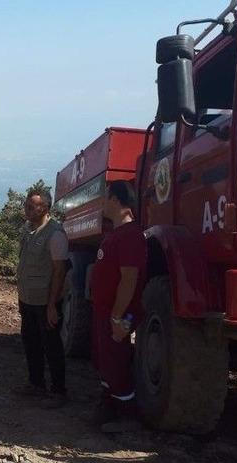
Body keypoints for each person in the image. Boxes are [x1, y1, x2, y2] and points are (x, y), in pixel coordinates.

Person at [91, 180, 147, 433]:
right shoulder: (115, 234)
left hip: (118, 313)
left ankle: (124, 415)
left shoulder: (130, 235)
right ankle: (108, 402)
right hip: (105, 311)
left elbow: (129, 278)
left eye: (105, 198)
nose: (102, 203)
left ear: (114, 200)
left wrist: (117, 316)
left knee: (117, 357)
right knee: (106, 357)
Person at [16, 189, 69, 408]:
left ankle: (59, 391)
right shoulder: (28, 230)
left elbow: (59, 270)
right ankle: (36, 383)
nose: (27, 209)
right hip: (28, 298)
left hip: (45, 301)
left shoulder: (55, 234)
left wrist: (52, 306)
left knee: (52, 345)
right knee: (31, 342)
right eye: (27, 204)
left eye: (32, 206)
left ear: (45, 208)